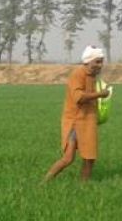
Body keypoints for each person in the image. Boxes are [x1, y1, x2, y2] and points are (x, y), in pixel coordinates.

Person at [43, 45, 111, 182]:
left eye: (102, 61)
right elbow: (78, 97)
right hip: (76, 121)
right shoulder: (78, 74)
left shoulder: (93, 77)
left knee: (90, 158)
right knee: (68, 158)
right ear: (88, 61)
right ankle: (44, 182)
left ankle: (83, 187)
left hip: (89, 120)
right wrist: (100, 94)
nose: (100, 65)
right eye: (97, 61)